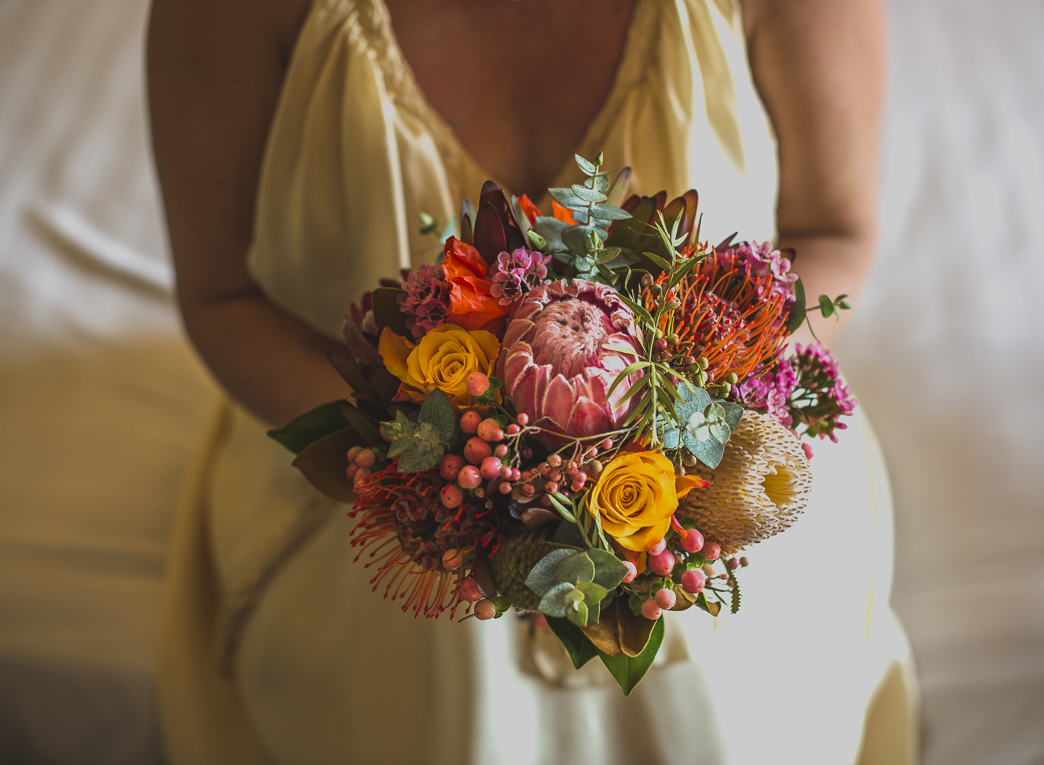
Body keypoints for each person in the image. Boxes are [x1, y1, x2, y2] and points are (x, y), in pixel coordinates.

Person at [147, 0, 915, 763]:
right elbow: (220, 295)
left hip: (710, 464)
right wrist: (449, 473)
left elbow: (831, 232)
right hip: (380, 470)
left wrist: (669, 432)